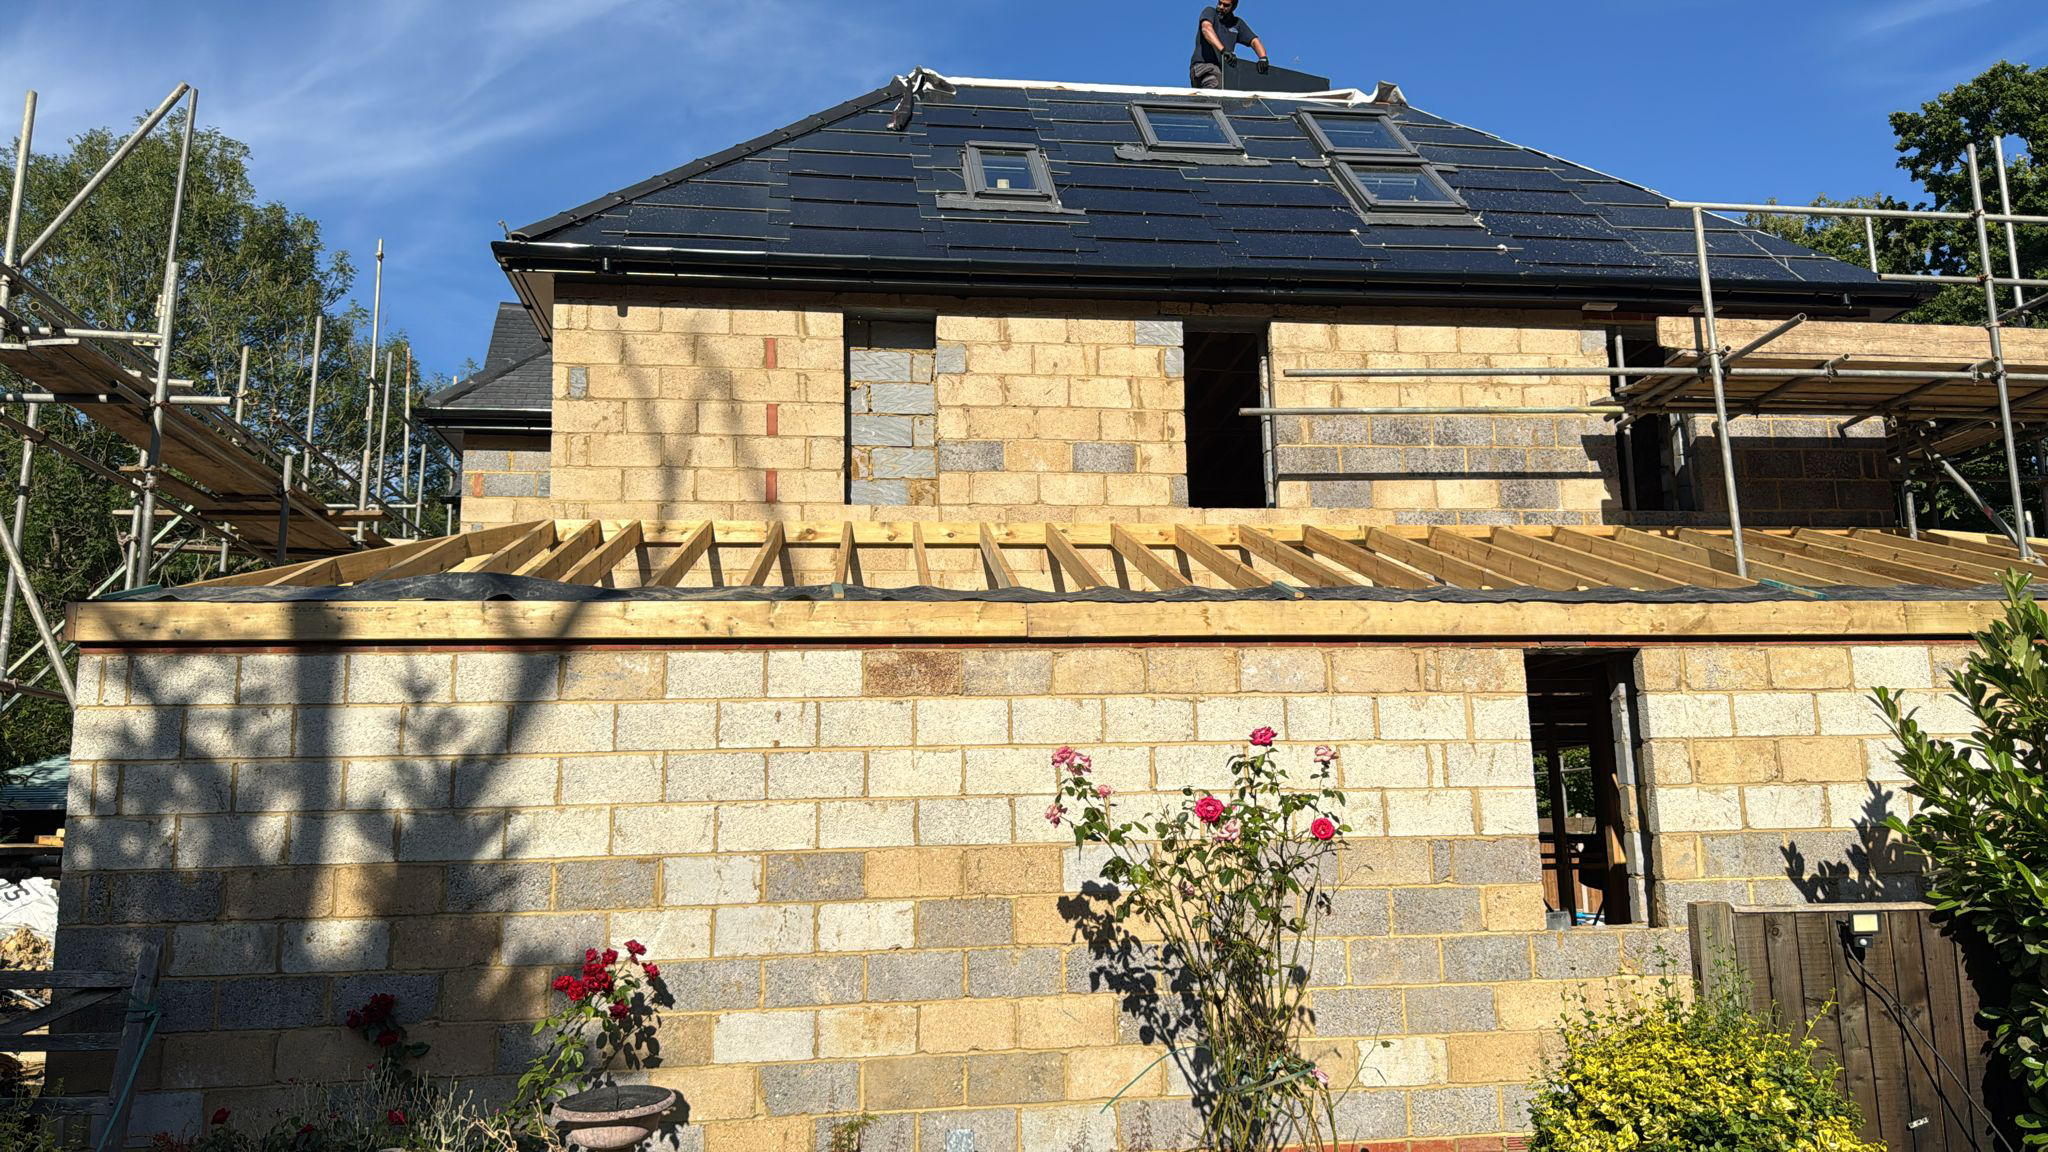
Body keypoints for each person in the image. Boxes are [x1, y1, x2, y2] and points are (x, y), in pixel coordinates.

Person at [1190, 0, 1268, 90]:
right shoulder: (1210, 12)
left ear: (1233, 7)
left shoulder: (1237, 24)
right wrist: (1223, 51)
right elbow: (1206, 29)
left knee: (1230, 90)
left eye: (1226, 5)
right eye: (1220, 3)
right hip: (1203, 66)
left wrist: (1263, 58)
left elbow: (1254, 41)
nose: (1221, 7)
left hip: (1222, 72)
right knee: (1217, 85)